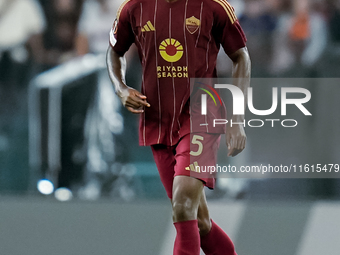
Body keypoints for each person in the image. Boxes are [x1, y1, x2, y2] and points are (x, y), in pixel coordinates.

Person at [107, 0, 251, 254]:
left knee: (183, 205)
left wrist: (237, 119)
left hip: (201, 115)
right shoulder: (134, 7)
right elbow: (114, 51)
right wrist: (120, 87)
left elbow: (241, 56)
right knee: (200, 223)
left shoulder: (213, 6)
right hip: (157, 122)